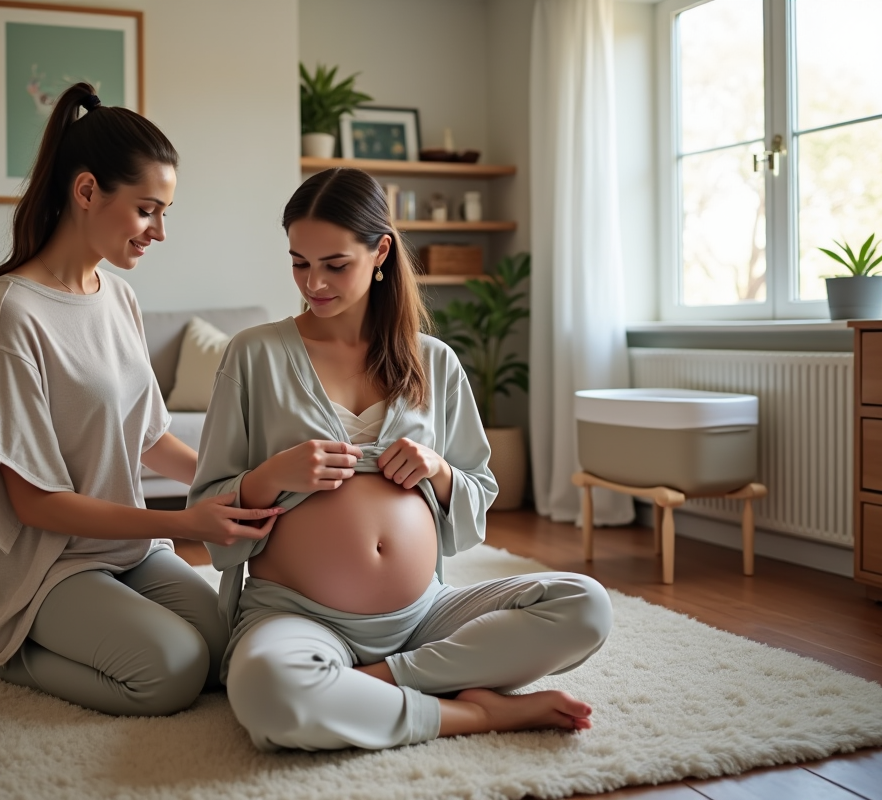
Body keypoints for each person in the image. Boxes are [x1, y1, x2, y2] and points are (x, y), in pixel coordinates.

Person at [188, 167, 613, 751]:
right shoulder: (254, 355)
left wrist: (438, 473)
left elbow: (478, 496)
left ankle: (372, 687)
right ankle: (479, 715)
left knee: (585, 605)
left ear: (380, 250)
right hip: (296, 616)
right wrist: (271, 476)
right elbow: (206, 514)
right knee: (268, 688)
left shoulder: (434, 362)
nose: (313, 282)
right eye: (299, 262)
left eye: (334, 264)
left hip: (423, 619)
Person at [0, 83, 283, 716]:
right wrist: (184, 523)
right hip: (47, 570)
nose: (159, 231)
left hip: (125, 552)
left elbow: (150, 439)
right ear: (86, 191)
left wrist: (242, 482)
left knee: (227, 649)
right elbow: (34, 503)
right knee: (171, 675)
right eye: (148, 210)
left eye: (166, 211)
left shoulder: (116, 296)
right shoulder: (11, 315)